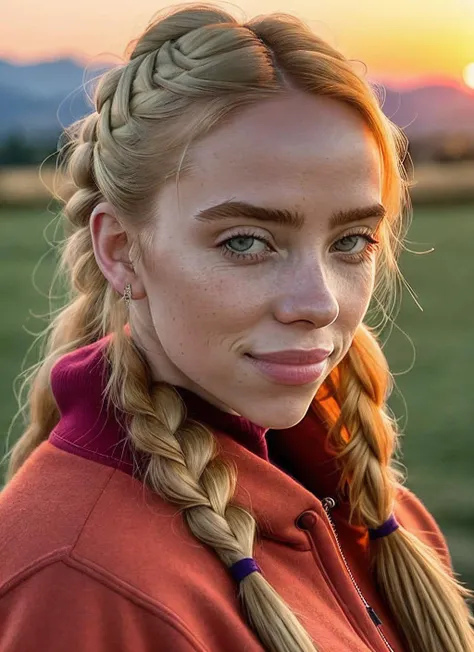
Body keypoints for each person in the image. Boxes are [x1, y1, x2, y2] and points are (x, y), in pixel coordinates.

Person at [0, 4, 472, 651]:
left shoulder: (379, 519)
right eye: (247, 241)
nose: (319, 303)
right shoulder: (79, 583)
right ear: (119, 250)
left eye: (352, 241)